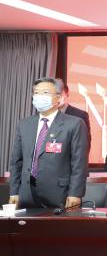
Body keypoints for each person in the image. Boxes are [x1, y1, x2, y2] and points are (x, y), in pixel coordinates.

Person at [8, 77, 89, 209]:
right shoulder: (24, 124)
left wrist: (75, 193)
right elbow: (16, 162)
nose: (39, 96)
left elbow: (79, 163)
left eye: (45, 93)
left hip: (59, 194)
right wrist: (14, 191)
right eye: (36, 93)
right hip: (27, 194)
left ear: (58, 98)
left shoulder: (74, 124)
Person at [55, 78, 92, 152]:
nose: (56, 97)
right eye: (54, 94)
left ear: (67, 95)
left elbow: (84, 145)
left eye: (59, 94)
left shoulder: (80, 115)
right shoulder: (47, 115)